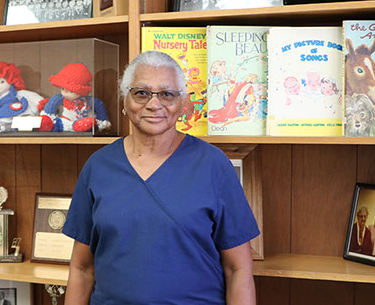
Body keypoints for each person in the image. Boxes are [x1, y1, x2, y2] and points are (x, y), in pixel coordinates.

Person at [63, 51, 259, 304]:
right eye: (141, 93)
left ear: (182, 104)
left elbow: (238, 270)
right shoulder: (99, 166)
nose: (154, 104)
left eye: (167, 94)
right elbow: (81, 269)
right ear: (125, 101)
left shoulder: (213, 165)